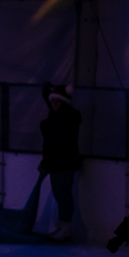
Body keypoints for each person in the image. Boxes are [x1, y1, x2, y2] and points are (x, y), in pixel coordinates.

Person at [39, 86, 83, 242]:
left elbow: (57, 142)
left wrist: (47, 162)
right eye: (53, 101)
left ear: (63, 102)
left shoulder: (65, 119)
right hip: (58, 163)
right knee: (60, 195)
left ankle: (66, 228)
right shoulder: (59, 116)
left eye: (57, 101)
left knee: (63, 195)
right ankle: (63, 226)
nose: (54, 104)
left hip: (62, 163)